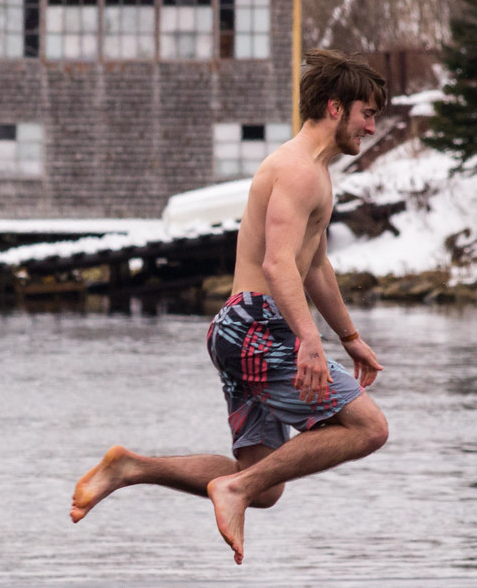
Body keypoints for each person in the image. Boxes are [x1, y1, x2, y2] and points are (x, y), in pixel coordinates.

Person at [70, 49, 390, 565]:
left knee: (265, 485)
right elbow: (278, 265)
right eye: (367, 113)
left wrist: (349, 337)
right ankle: (232, 492)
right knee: (369, 428)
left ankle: (130, 468)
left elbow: (314, 267)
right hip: (259, 328)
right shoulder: (298, 171)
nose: (371, 127)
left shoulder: (313, 171)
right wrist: (310, 340)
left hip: (244, 330)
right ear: (336, 107)